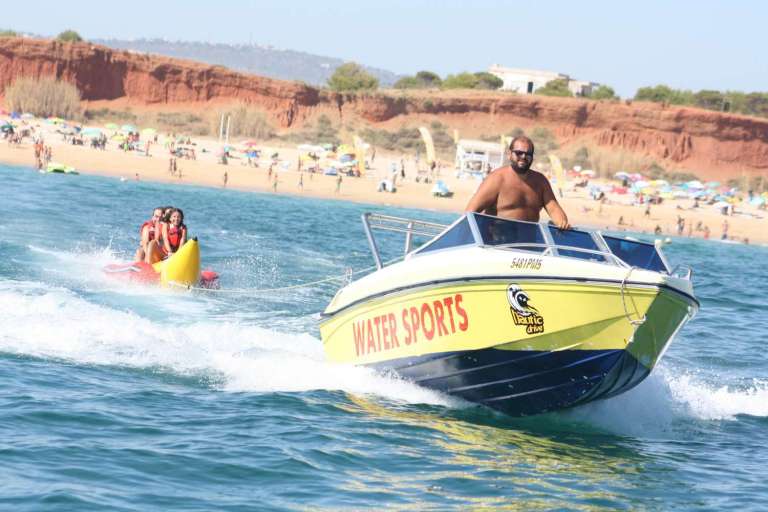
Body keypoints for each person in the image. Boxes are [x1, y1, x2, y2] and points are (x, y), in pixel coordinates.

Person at [464, 136, 569, 229]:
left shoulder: (540, 181)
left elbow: (554, 209)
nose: (523, 156)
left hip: (529, 247)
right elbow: (470, 212)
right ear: (509, 154)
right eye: (519, 153)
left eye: (528, 154)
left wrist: (562, 223)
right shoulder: (497, 179)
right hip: (497, 246)